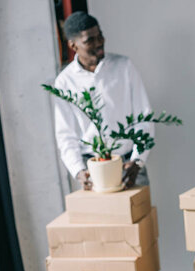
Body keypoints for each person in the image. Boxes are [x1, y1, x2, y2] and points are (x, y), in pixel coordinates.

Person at [54, 11, 152, 190]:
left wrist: (138, 160)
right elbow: (65, 135)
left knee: (141, 217)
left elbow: (143, 117)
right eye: (89, 40)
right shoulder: (64, 82)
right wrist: (78, 171)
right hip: (92, 170)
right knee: (100, 219)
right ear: (73, 45)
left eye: (100, 35)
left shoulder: (124, 67)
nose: (99, 43)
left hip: (129, 164)